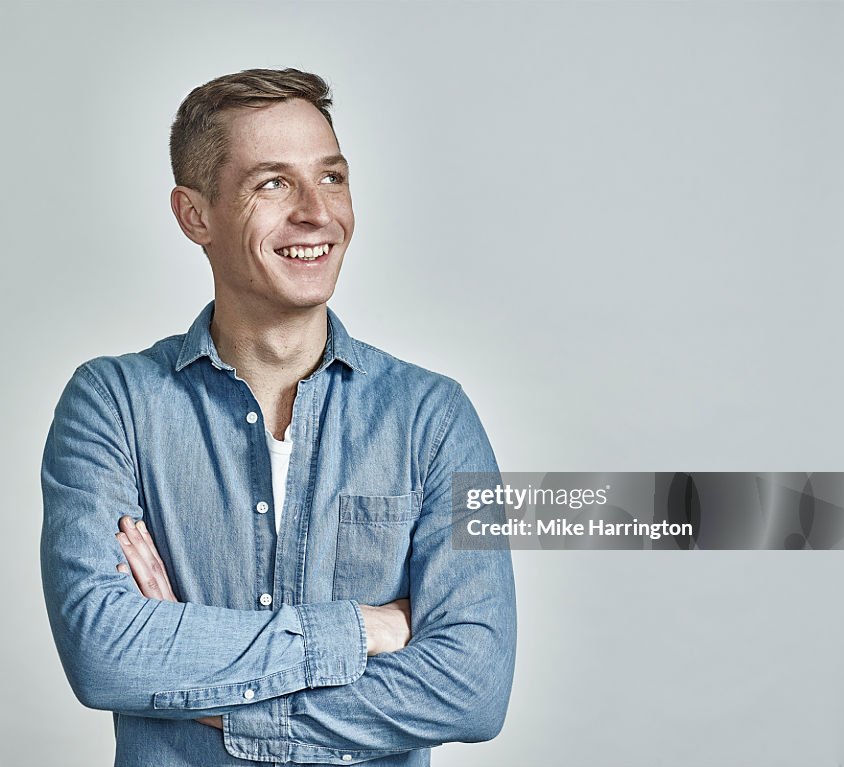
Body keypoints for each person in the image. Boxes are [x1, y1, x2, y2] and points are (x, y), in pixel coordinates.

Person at [40, 67, 516, 767]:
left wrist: (191, 673)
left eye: (331, 177)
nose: (317, 213)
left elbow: (472, 688)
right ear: (194, 214)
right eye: (272, 182)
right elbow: (104, 654)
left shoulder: (433, 417)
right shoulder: (111, 404)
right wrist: (361, 629)